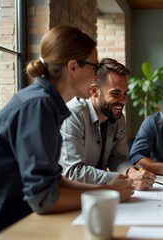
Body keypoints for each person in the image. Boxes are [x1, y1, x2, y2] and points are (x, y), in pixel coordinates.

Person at [0, 26, 134, 233]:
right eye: (94, 66)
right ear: (73, 67)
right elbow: (43, 198)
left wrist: (107, 190)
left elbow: (54, 181)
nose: (96, 76)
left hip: (22, 219)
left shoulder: (46, 103)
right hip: (1, 228)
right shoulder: (39, 106)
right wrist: (110, 192)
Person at [59, 57, 156, 191]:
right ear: (94, 91)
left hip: (99, 194)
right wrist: (122, 180)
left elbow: (118, 158)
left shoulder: (119, 119)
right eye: (116, 93)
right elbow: (73, 173)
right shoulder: (73, 115)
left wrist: (131, 172)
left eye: (125, 93)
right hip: (68, 195)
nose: (123, 100)